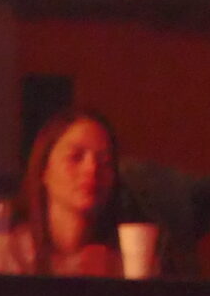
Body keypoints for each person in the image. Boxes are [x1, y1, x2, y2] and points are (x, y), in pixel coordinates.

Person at [8, 107, 123, 278]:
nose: (92, 169)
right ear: (44, 170)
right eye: (75, 157)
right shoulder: (9, 253)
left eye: (104, 162)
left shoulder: (126, 259)